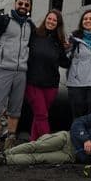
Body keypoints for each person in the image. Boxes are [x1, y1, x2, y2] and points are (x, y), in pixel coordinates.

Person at [0, 0, 33, 162]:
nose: (23, 7)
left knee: (15, 109)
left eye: (26, 5)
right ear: (15, 4)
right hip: (3, 68)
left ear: (30, 7)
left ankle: (10, 143)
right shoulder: (5, 20)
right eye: (20, 3)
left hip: (20, 71)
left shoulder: (29, 26)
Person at [24, 9, 70, 141]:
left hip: (51, 86)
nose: (51, 21)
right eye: (49, 18)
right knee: (42, 115)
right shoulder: (35, 34)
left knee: (39, 116)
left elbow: (64, 62)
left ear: (58, 24)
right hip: (33, 83)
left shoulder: (58, 42)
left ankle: (33, 143)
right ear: (45, 19)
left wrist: (72, 50)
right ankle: (48, 144)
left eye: (55, 20)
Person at [65, 9, 91, 119]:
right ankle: (78, 136)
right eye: (85, 19)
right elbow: (65, 59)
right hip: (76, 85)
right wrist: (67, 49)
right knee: (78, 117)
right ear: (82, 22)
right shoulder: (74, 39)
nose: (88, 21)